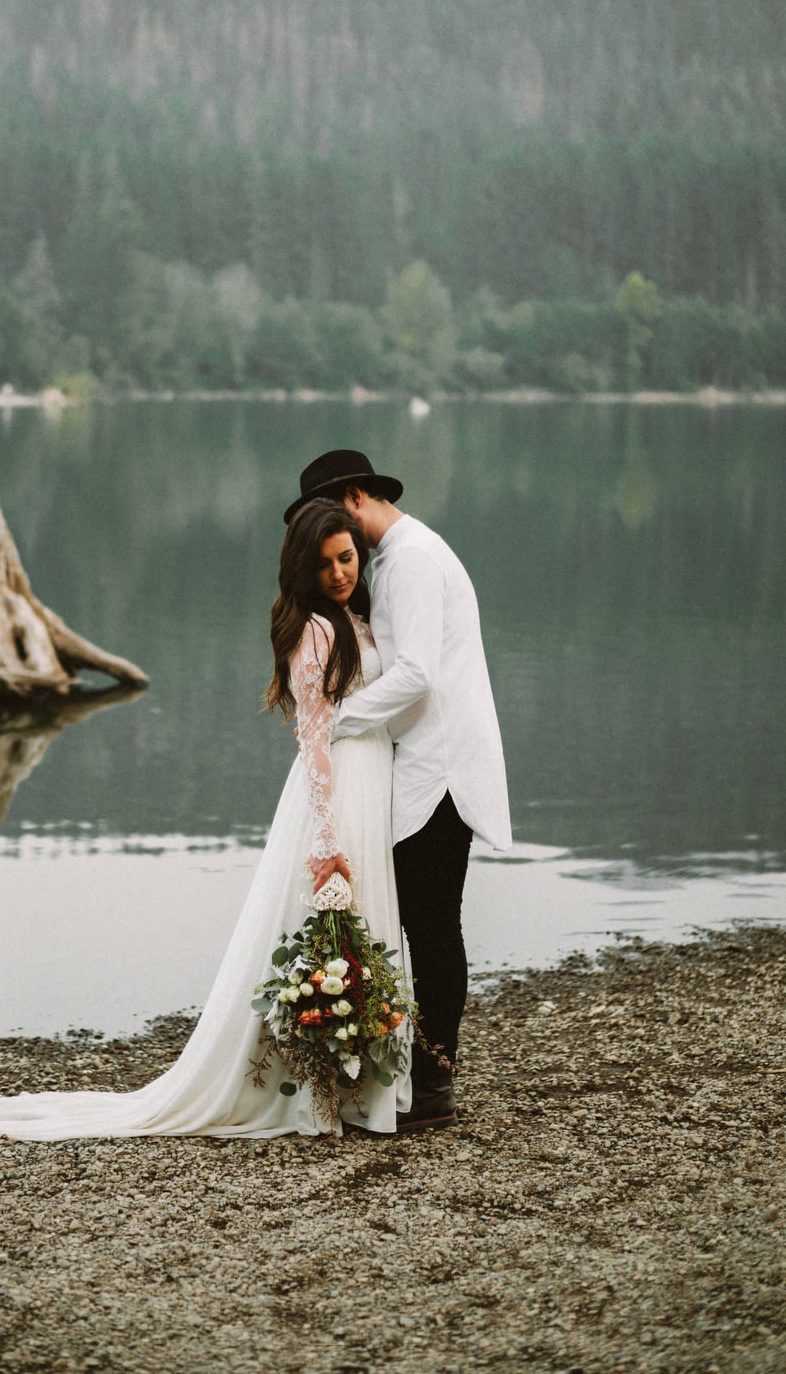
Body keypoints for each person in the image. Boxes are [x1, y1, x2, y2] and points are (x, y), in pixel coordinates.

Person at [0, 500, 409, 1141]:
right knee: (331, 930)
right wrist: (326, 841)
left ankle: (359, 1090)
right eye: (324, 564)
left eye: (346, 558)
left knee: (361, 933)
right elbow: (314, 739)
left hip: (369, 783)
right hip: (336, 795)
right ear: (303, 568)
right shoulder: (316, 632)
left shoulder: (357, 616)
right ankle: (321, 1097)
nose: (338, 574)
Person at [290, 448, 512, 1132]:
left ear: (355, 499)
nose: (337, 547)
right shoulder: (395, 559)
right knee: (421, 921)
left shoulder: (411, 560)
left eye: (335, 521)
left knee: (433, 925)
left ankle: (436, 1079)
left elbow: (414, 672)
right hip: (418, 763)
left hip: (437, 769)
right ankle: (414, 1072)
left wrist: (332, 723)